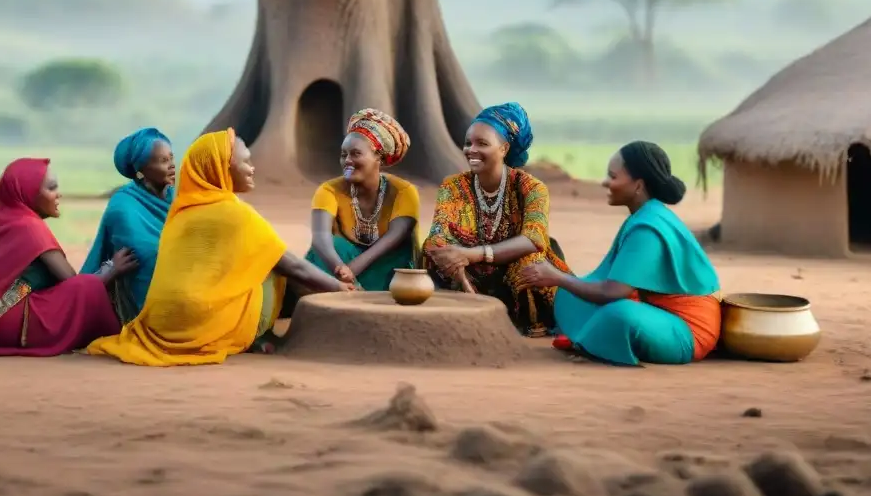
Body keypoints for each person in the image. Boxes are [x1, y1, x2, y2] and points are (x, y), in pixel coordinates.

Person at [86, 129, 351, 366]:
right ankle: (251, 334)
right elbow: (291, 264)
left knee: (257, 257)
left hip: (166, 315)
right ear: (222, 168)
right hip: (171, 310)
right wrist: (341, 290)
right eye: (245, 162)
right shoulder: (229, 213)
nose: (252, 168)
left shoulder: (184, 206)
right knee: (267, 264)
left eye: (171, 157)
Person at [518, 141, 722, 366]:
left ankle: (592, 339)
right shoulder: (643, 216)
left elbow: (614, 291)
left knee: (619, 314)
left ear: (638, 186)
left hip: (689, 331)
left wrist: (557, 277)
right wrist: (563, 282)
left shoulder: (648, 229)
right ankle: (593, 337)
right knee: (569, 296)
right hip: (656, 311)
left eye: (613, 177)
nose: (605, 182)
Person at [0, 158, 137, 357]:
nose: (58, 195)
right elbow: (72, 281)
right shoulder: (27, 226)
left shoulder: (8, 219)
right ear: (28, 192)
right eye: (51, 188)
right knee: (89, 287)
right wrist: (112, 268)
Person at [423, 102, 571, 336]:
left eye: (482, 143)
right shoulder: (453, 186)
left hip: (511, 268)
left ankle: (530, 323)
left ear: (504, 149)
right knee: (432, 247)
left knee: (530, 261)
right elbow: (440, 235)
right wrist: (462, 274)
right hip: (468, 271)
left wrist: (475, 253)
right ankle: (466, 310)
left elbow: (533, 238)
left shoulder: (531, 188)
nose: (471, 150)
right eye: (468, 143)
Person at [304, 108, 420, 292]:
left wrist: (351, 270)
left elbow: (395, 238)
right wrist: (341, 271)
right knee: (332, 246)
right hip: (339, 266)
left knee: (403, 251)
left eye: (356, 154)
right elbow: (320, 238)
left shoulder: (404, 191)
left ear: (378, 158)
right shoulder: (328, 190)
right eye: (344, 154)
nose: (347, 160)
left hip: (384, 266)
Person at [80, 127, 175, 323]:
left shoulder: (176, 196)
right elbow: (145, 255)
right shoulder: (122, 207)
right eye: (163, 161)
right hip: (139, 303)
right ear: (141, 172)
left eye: (172, 158)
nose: (173, 166)